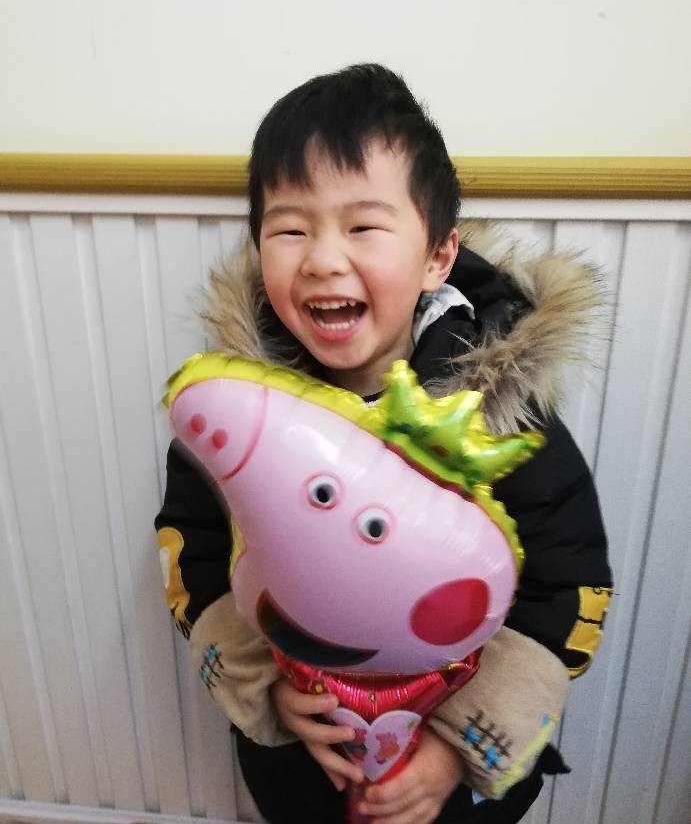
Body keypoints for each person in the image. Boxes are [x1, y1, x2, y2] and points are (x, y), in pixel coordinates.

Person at [155, 64, 612, 824]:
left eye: (363, 227)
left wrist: (457, 750)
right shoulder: (239, 414)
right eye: (290, 229)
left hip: (451, 783)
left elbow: (565, 586)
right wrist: (264, 690)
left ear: (437, 256)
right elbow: (193, 550)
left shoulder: (501, 416)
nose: (322, 258)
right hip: (303, 771)